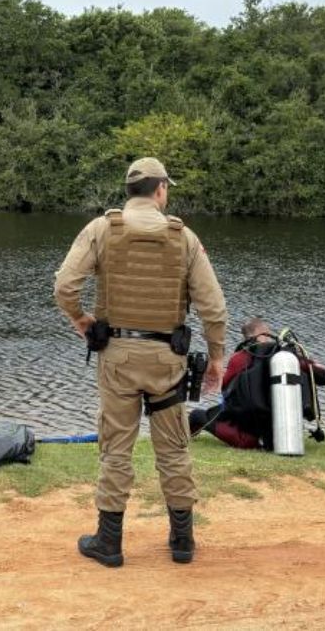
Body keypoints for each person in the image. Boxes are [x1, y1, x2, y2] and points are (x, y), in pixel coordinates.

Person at [54, 157, 228, 567]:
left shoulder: (103, 229)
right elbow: (214, 308)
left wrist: (81, 319)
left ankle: (109, 542)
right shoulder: (183, 237)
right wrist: (217, 357)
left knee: (116, 448)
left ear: (130, 190)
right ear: (161, 189)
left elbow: (64, 286)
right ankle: (182, 540)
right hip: (168, 360)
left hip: (117, 357)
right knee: (173, 449)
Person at [189, 317, 325, 450]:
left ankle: (185, 439)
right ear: (267, 333)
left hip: (249, 439)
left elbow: (226, 391)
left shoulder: (238, 359)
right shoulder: (286, 357)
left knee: (197, 415)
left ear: (246, 337)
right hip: (288, 435)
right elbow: (324, 378)